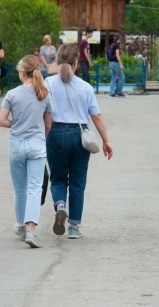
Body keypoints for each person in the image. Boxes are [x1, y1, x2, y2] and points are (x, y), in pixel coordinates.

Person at [44, 43, 113, 239]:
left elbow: (41, 110)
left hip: (55, 133)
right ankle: (74, 227)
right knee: (77, 183)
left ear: (57, 61)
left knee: (57, 178)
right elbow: (96, 116)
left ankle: (60, 205)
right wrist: (106, 141)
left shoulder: (47, 83)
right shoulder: (86, 87)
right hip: (79, 135)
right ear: (76, 63)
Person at [0, 55, 53, 249]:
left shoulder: (12, 94)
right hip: (36, 144)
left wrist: (17, 124)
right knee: (34, 188)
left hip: (16, 145)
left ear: (22, 73)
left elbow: (2, 121)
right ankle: (31, 230)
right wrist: (38, 134)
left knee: (20, 190)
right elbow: (48, 125)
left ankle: (21, 227)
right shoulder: (44, 94)